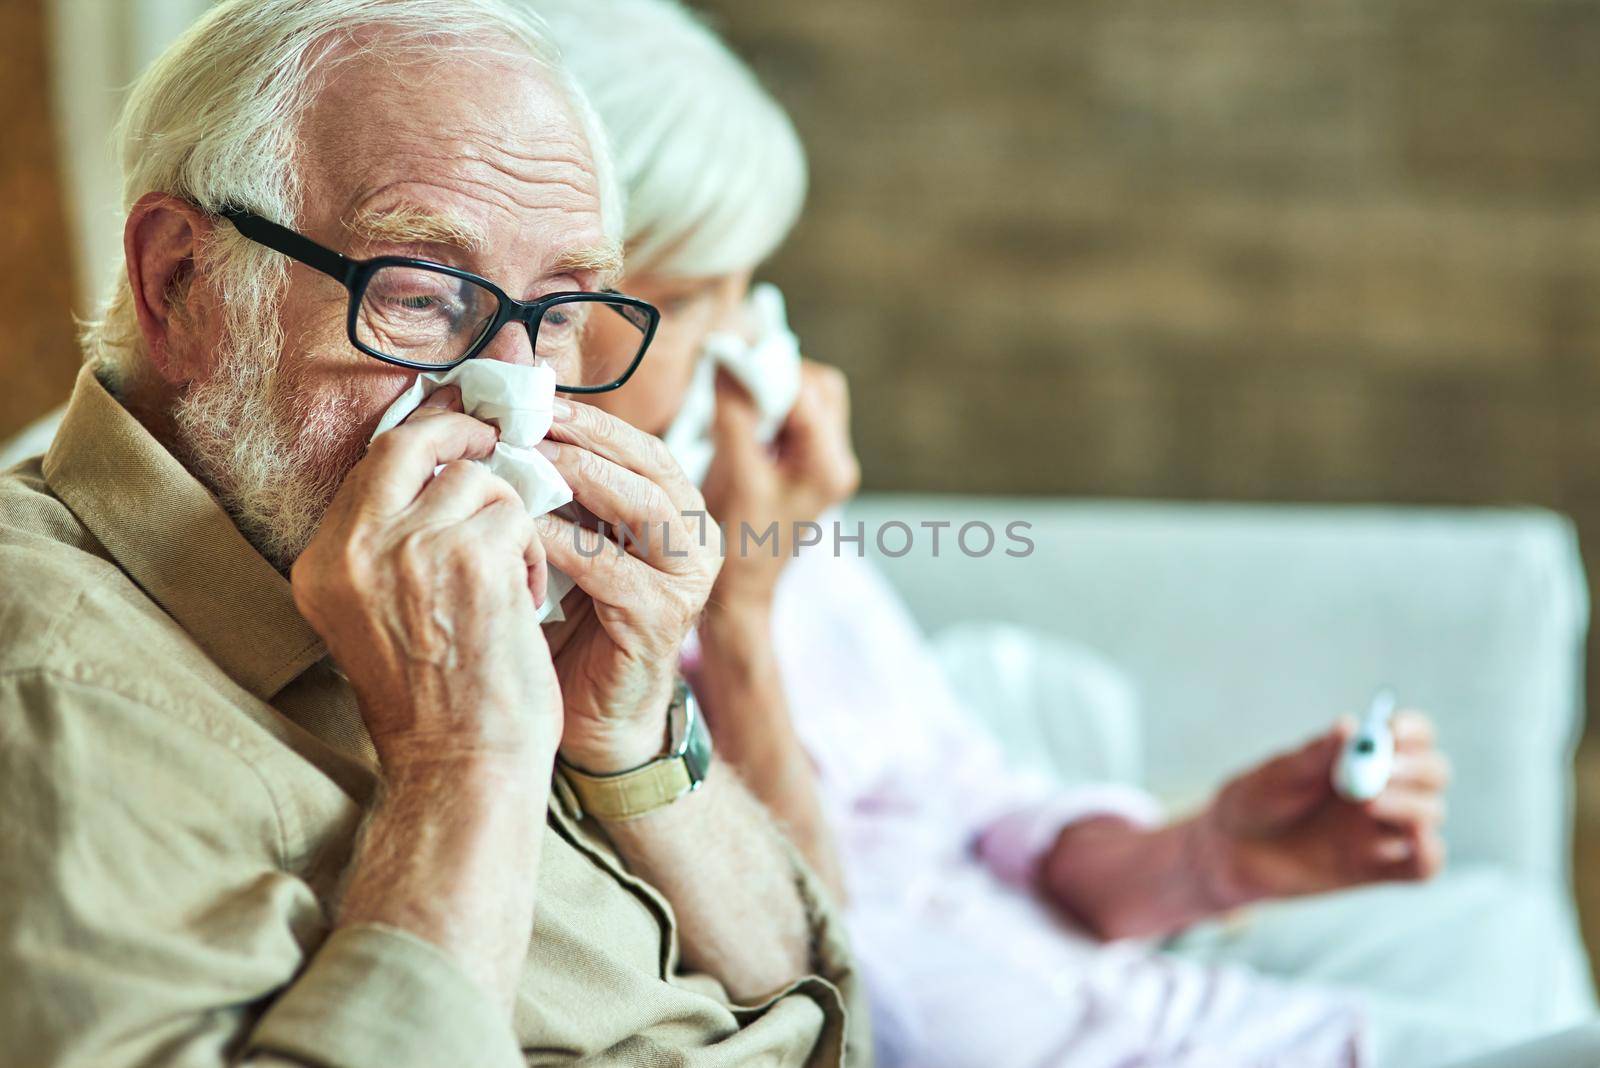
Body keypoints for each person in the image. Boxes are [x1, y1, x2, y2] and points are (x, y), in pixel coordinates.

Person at [537, 2, 1591, 1065]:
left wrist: (1210, 855)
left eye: (749, 286)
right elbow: (823, 991)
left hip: (1212, 1021)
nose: (748, 342)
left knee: (1497, 927)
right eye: (690, 296)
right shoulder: (584, 638)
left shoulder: (761, 525)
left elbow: (972, 802)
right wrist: (739, 621)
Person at [0, 1, 867, 1065]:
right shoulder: (53, 678)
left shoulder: (473, 586)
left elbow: (814, 990)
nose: (513, 401)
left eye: (554, 315)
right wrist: (466, 765)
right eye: (421, 293)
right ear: (183, 281)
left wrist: (631, 738)